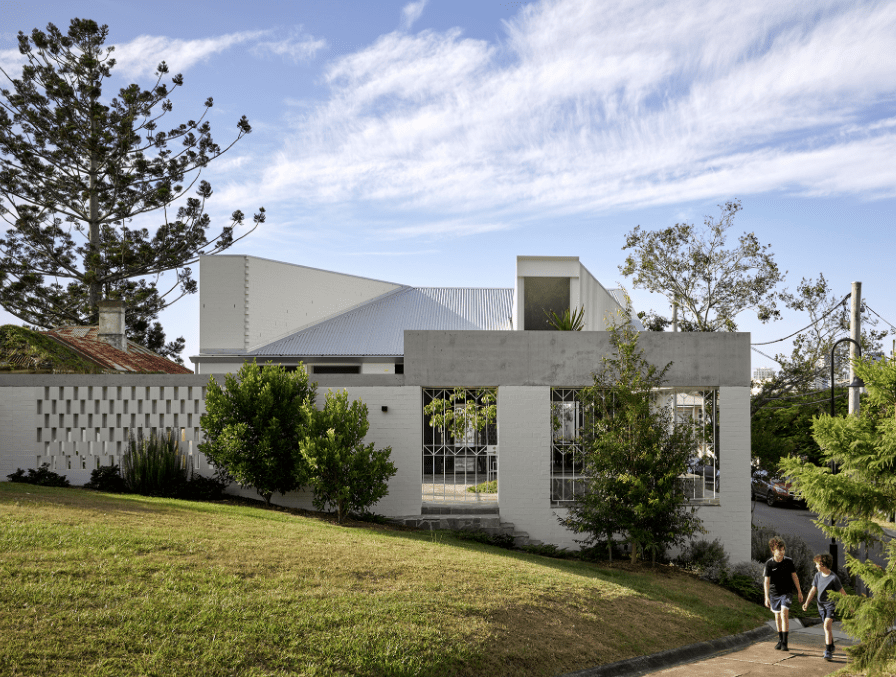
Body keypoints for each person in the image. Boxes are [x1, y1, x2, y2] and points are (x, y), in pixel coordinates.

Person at [802, 553, 847, 661]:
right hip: (821, 606)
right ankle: (831, 645)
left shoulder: (833, 578)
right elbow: (813, 590)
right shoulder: (817, 576)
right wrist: (806, 603)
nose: (816, 566)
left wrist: (850, 605)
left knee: (827, 626)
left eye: (817, 564)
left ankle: (828, 652)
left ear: (823, 564)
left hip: (831, 605)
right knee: (827, 628)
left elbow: (842, 592)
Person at [764, 536, 803, 651]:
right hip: (774, 594)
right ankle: (780, 640)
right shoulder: (769, 564)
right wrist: (766, 597)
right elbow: (766, 581)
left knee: (784, 613)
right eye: (779, 550)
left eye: (783, 550)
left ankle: (785, 643)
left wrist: (799, 592)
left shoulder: (788, 562)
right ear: (773, 550)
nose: (782, 552)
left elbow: (794, 577)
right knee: (777, 616)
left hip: (787, 593)